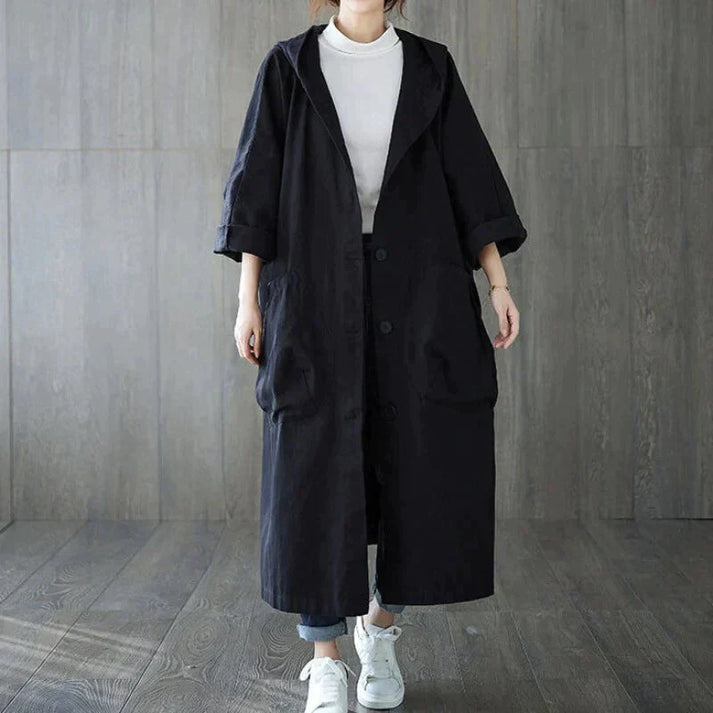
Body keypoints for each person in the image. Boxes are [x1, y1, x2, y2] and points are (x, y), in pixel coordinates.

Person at [214, 1, 528, 711]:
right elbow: (255, 186)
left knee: (422, 458)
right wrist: (247, 298)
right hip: (314, 288)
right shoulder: (289, 67)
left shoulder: (430, 68)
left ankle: (380, 628)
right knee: (313, 468)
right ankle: (325, 658)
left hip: (419, 287)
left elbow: (469, 179)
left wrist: (499, 283)